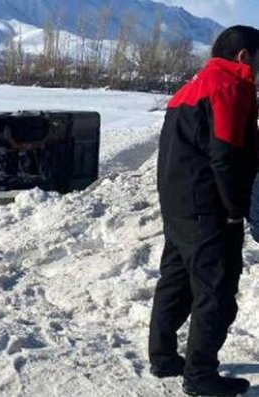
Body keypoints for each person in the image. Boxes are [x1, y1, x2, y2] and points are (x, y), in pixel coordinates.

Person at [149, 26, 259, 396]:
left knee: (176, 281)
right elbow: (225, 154)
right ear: (244, 57)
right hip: (207, 207)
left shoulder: (193, 85)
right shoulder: (230, 86)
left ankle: (163, 357)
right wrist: (234, 209)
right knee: (216, 290)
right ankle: (200, 377)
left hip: (177, 200)